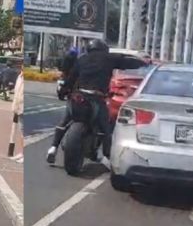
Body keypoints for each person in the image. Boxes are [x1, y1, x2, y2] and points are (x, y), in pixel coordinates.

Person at [46, 39, 147, 167]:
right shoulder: (108, 58)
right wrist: (143, 63)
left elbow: (71, 79)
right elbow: (127, 62)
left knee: (64, 121)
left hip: (79, 96)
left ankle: (53, 148)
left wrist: (63, 92)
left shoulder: (82, 60)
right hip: (96, 98)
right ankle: (106, 156)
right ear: (103, 49)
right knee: (106, 128)